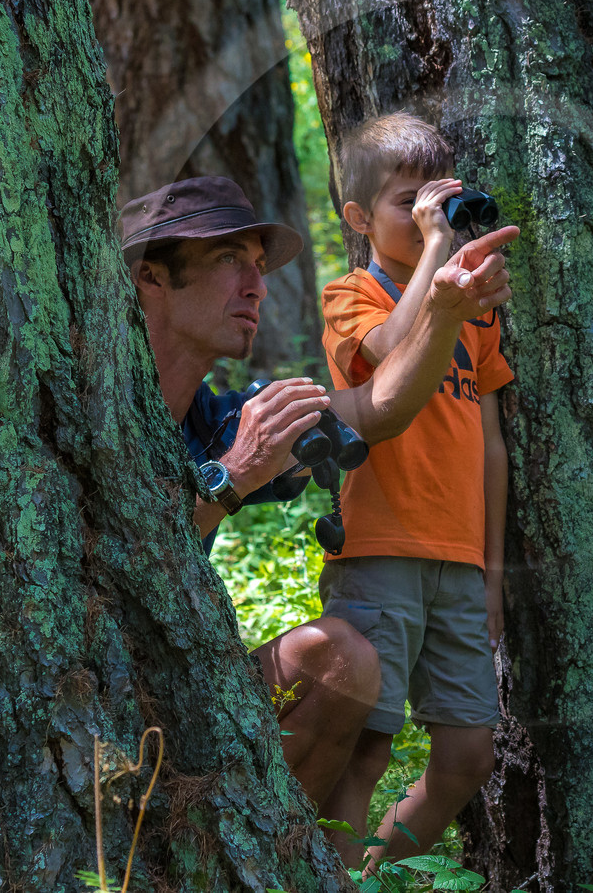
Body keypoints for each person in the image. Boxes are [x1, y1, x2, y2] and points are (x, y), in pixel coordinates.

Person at [119, 174, 518, 809]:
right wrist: (235, 475)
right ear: (151, 277)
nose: (257, 285)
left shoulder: (223, 419)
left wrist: (442, 311)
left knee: (340, 659)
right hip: (92, 715)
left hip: (180, 700)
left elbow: (377, 409)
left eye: (257, 264)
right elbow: (116, 564)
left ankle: (276, 863)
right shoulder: (88, 408)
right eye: (229, 260)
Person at [313, 114, 511, 866]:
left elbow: (490, 443)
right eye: (410, 205)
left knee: (467, 758)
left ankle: (369, 871)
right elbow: (391, 348)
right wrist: (437, 250)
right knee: (364, 749)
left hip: (458, 557)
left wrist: (491, 569)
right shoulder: (350, 292)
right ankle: (332, 877)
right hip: (380, 548)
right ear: (359, 218)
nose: (434, 220)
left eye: (443, 205)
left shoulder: (472, 314)